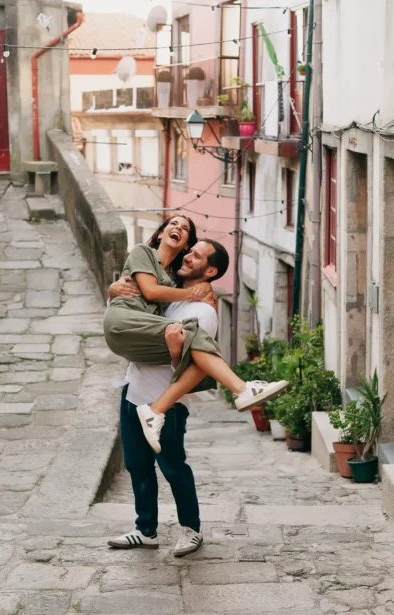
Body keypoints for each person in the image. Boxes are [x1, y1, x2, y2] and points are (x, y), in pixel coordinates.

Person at [102, 216, 288, 453]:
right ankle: (241, 389)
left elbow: (186, 360)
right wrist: (111, 289)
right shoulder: (144, 253)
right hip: (122, 322)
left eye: (185, 228)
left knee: (201, 350)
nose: (178, 228)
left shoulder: (173, 282)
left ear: (185, 245)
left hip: (137, 350)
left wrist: (176, 347)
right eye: (173, 224)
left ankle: (162, 408)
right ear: (160, 234)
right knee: (202, 344)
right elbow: (149, 292)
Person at [105, 239, 223, 557]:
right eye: (190, 250)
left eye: (196, 255)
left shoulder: (204, 312)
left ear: (210, 270)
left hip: (165, 404)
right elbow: (126, 315)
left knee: (172, 467)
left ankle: (191, 529)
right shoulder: (165, 293)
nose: (187, 256)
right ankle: (146, 530)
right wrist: (114, 292)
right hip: (133, 392)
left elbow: (195, 366)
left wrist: (173, 350)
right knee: (135, 465)